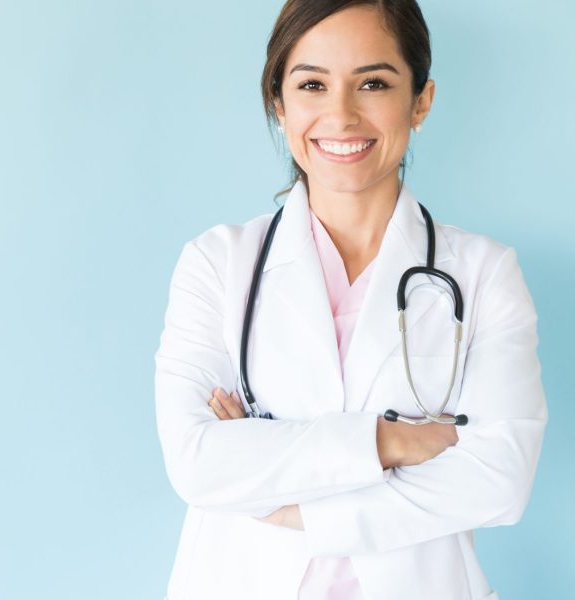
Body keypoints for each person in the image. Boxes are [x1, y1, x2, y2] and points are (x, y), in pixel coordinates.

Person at [154, 1, 547, 598]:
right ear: (279, 105)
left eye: (373, 83)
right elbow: (197, 461)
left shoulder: (485, 273)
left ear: (421, 101)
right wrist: (389, 442)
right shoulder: (217, 264)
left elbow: (500, 479)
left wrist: (295, 506)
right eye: (312, 84)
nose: (340, 115)